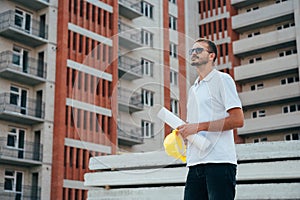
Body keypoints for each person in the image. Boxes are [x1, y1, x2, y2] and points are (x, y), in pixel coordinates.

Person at [177, 38, 244, 200]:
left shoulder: (222, 80)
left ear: (212, 56)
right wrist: (186, 132)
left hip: (219, 162)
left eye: (199, 50)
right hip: (195, 164)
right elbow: (194, 126)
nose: (193, 53)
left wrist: (198, 127)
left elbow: (237, 120)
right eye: (192, 51)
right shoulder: (193, 89)